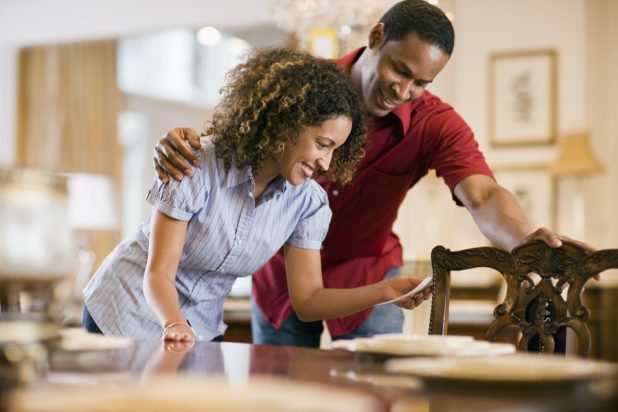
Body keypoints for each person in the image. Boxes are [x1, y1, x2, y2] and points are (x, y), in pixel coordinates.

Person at [152, 1, 591, 347]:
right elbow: (236, 141)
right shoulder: (304, 90)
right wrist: (183, 141)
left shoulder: (434, 124)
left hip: (372, 278)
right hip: (283, 278)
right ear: (377, 36)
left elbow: (481, 194)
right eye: (400, 70)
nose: (404, 91)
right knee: (283, 395)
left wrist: (522, 237)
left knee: (375, 394)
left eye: (421, 82)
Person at [83, 48, 431, 342]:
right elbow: (159, 272)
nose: (326, 163)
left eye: (335, 151)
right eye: (322, 144)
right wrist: (174, 323)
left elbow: (308, 299)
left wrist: (384, 291)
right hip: (125, 310)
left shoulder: (307, 204)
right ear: (285, 124)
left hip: (197, 328)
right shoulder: (197, 165)